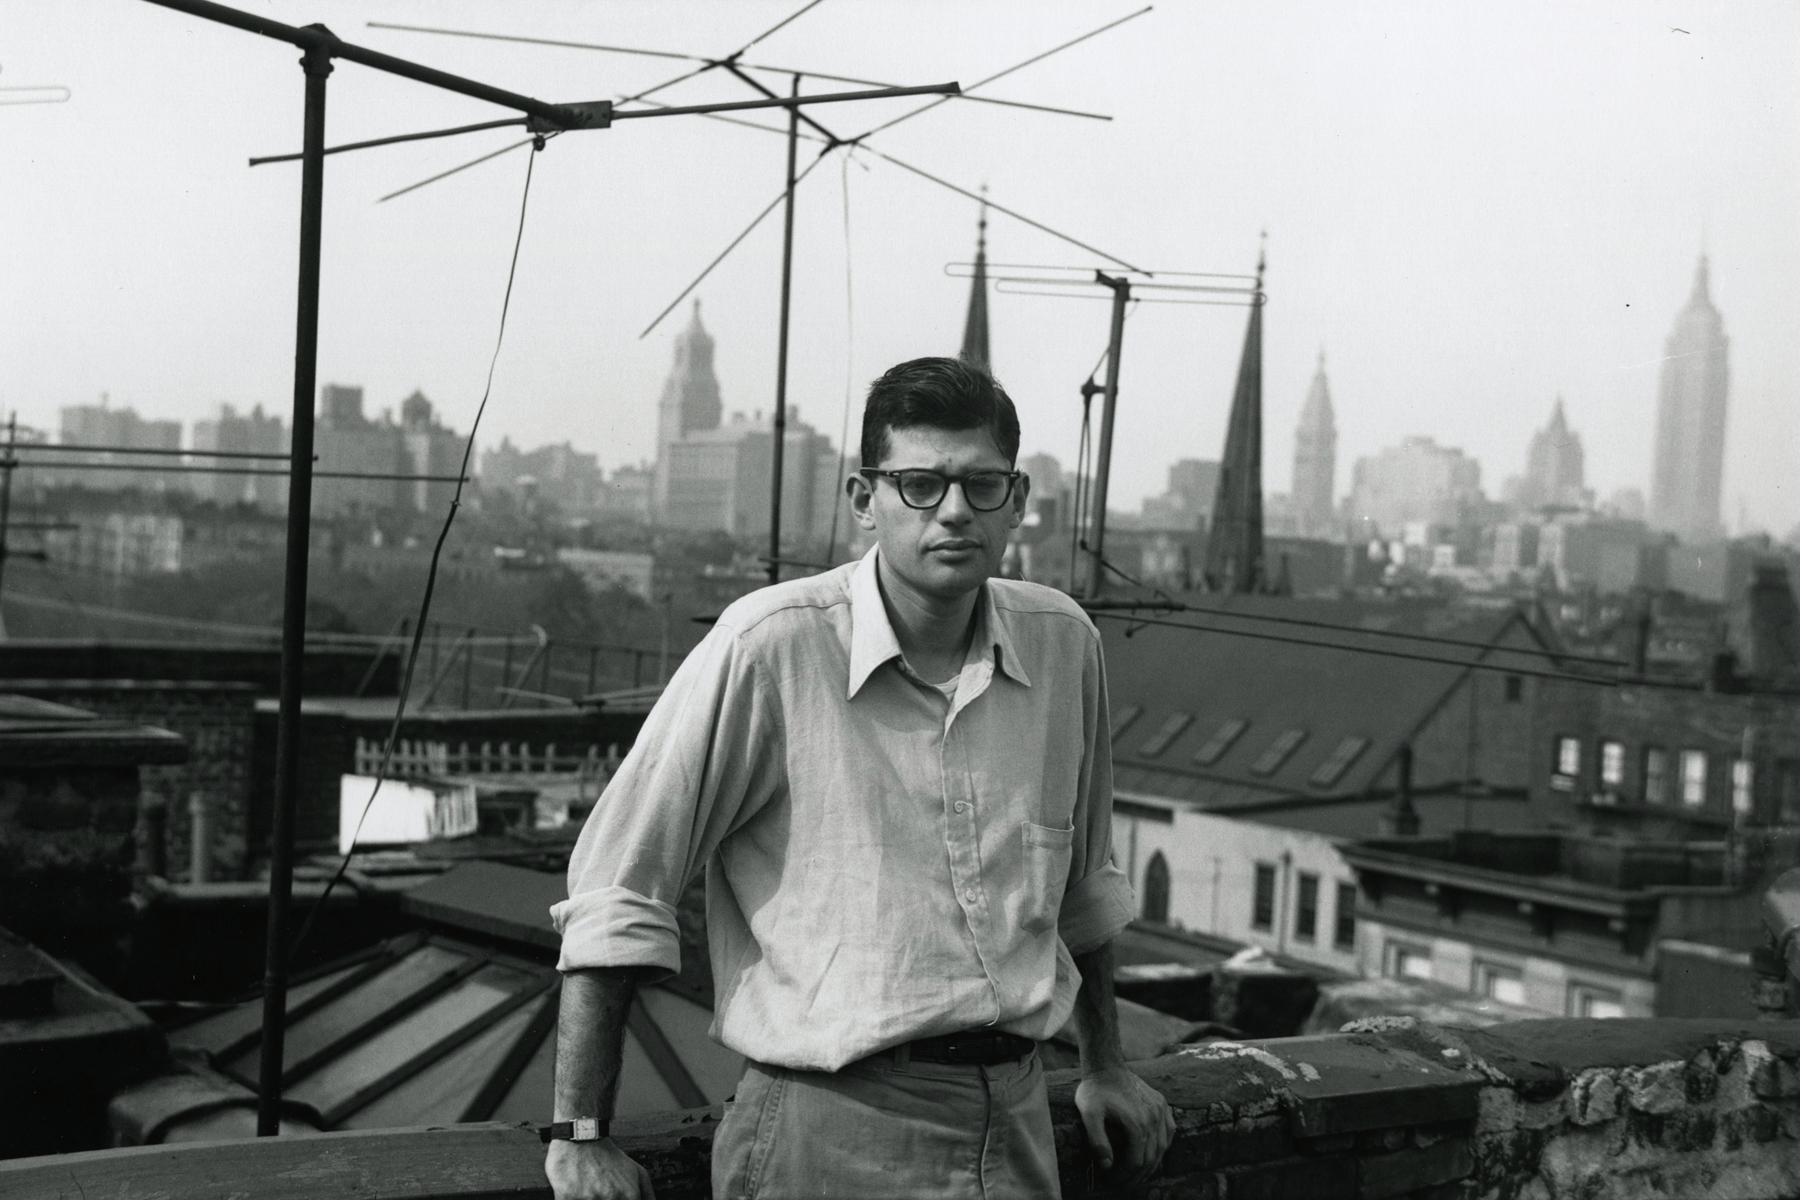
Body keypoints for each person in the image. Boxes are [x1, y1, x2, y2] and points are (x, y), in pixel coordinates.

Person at [544, 357, 1173, 1200]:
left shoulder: (1063, 645)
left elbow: (1085, 891)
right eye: (919, 483)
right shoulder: (772, 646)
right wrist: (581, 1133)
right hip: (829, 1133)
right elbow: (621, 886)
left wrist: (1106, 1065)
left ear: (1018, 501)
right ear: (862, 500)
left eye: (982, 486)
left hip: (1019, 1122)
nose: (953, 510)